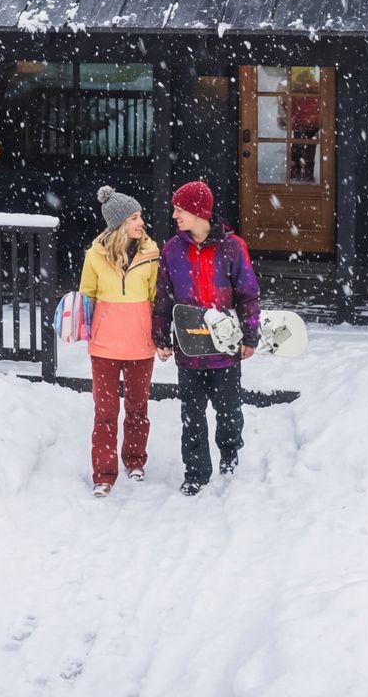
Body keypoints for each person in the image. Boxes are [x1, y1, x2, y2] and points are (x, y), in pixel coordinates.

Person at [152, 180, 260, 495]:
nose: (174, 215)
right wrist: (161, 337)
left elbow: (248, 295)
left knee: (228, 411)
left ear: (198, 212)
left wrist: (250, 335)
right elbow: (163, 298)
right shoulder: (172, 250)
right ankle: (196, 473)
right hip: (188, 347)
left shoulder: (233, 247)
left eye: (179, 209)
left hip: (224, 348)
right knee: (192, 414)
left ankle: (229, 449)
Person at [79, 186, 160, 498]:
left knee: (138, 407)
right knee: (105, 412)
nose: (142, 223)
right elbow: (87, 296)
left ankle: (136, 460)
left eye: (140, 217)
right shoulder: (94, 256)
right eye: (136, 218)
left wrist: (160, 338)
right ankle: (103, 473)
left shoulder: (152, 254)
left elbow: (156, 300)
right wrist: (86, 328)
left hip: (140, 346)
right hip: (104, 348)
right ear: (119, 224)